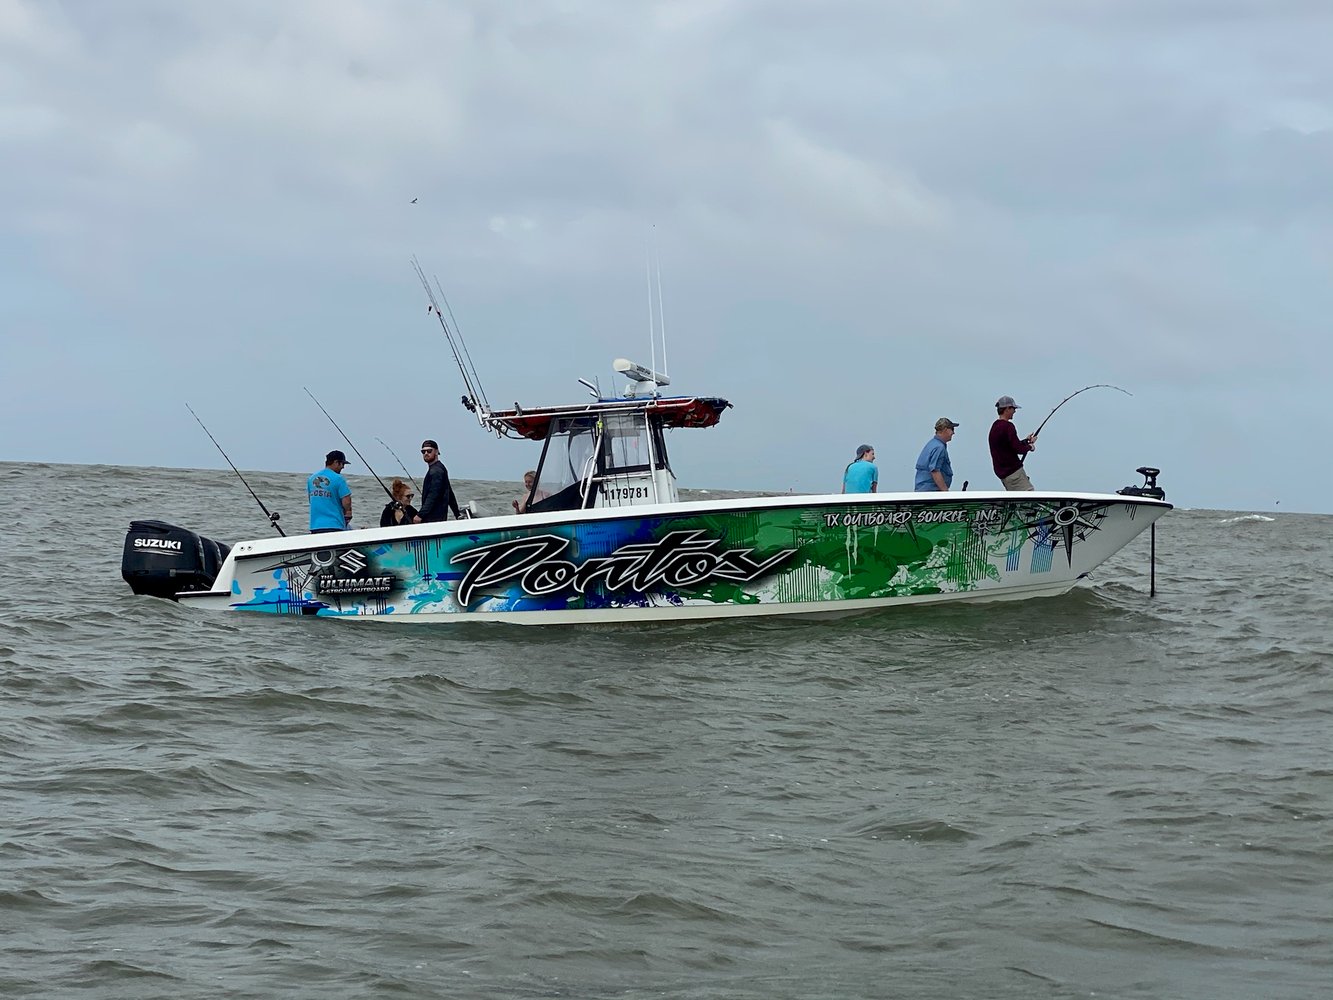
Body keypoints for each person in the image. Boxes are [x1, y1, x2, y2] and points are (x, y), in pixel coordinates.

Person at [989, 395, 1037, 490]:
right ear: (1007, 409)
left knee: (1017, 502)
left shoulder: (995, 426)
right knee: (1030, 499)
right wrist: (1030, 447)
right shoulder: (1008, 426)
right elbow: (1019, 449)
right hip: (1014, 474)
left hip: (1004, 475)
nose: (1015, 411)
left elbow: (1009, 446)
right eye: (1013, 408)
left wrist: (1025, 441)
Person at [414, 439, 461, 522]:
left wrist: (420, 515)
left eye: (429, 451)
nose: (426, 453)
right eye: (423, 452)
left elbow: (433, 495)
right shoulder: (440, 468)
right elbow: (449, 493)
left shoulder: (436, 471)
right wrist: (457, 514)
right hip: (438, 519)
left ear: (436, 452)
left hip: (433, 520)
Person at [308, 449, 352, 533]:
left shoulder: (311, 478)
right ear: (336, 462)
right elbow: (346, 501)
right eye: (342, 464)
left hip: (315, 526)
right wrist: (348, 513)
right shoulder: (339, 479)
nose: (343, 467)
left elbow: (311, 500)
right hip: (335, 525)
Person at [914, 418, 959, 491]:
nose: (953, 433)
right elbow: (935, 471)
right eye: (952, 429)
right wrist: (945, 493)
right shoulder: (939, 448)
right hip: (931, 493)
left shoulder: (932, 444)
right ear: (945, 429)